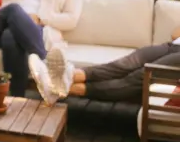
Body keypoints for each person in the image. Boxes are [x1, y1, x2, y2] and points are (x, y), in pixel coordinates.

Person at [29, 26, 180, 104]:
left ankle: (57, 89)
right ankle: (63, 79)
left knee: (138, 78)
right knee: (123, 65)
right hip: (172, 46)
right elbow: (175, 34)